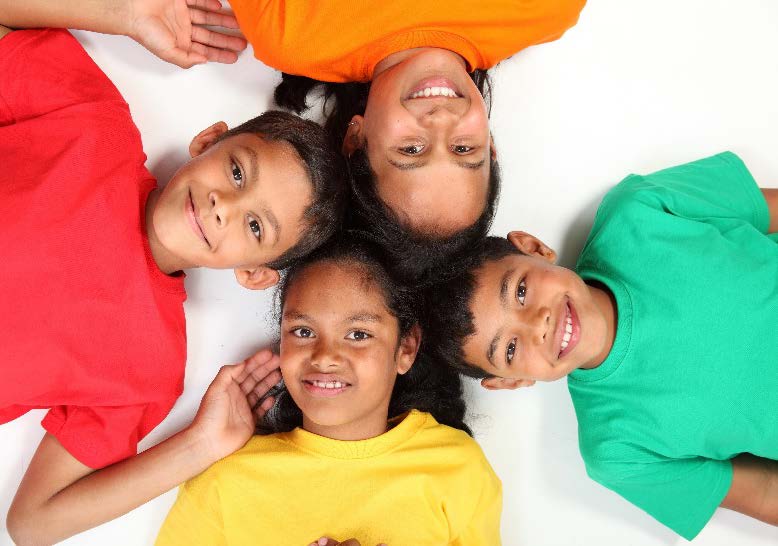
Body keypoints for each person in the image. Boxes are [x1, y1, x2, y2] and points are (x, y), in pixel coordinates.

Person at [0, 3, 346, 542]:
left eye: (255, 227)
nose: (223, 206)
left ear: (256, 272)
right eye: (236, 171)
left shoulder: (150, 367)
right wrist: (127, 14)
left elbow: (33, 523)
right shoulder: (94, 121)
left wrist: (201, 446)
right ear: (208, 141)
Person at [425, 152, 778, 539]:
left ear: (533, 248)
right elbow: (763, 491)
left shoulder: (638, 210)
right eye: (509, 350)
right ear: (511, 382)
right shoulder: (615, 452)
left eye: (521, 290)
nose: (537, 325)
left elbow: (766, 210)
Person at [156, 237, 503, 545]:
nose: (324, 357)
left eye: (358, 334)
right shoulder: (226, 480)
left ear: (406, 348)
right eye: (304, 332)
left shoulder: (458, 468)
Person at [228, 0, 586, 280]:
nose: (441, 120)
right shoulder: (545, 9)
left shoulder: (291, 33)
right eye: (464, 149)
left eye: (411, 149)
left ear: (356, 137)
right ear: (490, 144)